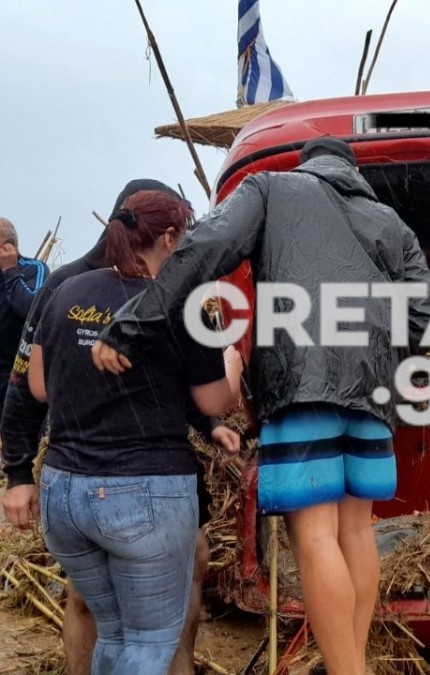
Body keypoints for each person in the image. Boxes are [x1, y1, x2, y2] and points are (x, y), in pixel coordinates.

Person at [92, 136, 430, 675]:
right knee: (356, 531)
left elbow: (202, 250)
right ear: (352, 171)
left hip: (302, 388)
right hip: (373, 396)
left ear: (308, 165)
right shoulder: (390, 222)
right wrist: (377, 356)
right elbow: (425, 318)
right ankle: (354, 663)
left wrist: (133, 324)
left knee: (316, 535)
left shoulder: (272, 188)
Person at [1, 180, 240, 675]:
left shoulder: (66, 289)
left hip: (66, 492)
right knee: (150, 643)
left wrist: (19, 473)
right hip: (143, 493)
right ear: (170, 238)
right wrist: (232, 365)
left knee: (113, 633)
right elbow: (216, 398)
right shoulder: (180, 301)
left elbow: (35, 385)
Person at [0, 217, 49, 404]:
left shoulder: (34, 269)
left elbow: (30, 308)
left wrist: (10, 270)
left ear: (7, 246)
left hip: (17, 372)